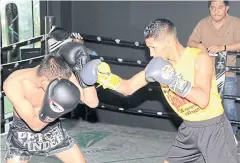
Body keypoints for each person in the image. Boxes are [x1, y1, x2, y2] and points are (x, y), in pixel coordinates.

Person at [79, 18, 239, 163]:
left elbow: (203, 100)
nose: (151, 54)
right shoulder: (158, 66)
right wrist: (103, 78)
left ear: (169, 42)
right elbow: (128, 87)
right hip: (189, 128)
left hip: (213, 128)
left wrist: (172, 80)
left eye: (153, 47)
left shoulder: (199, 58)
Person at [3, 47, 99, 162]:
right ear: (43, 81)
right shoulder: (14, 83)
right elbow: (35, 125)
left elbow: (92, 102)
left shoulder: (60, 74)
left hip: (52, 131)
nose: (61, 86)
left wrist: (85, 76)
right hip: (23, 134)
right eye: (57, 85)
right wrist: (56, 109)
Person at [187, 0, 240, 135]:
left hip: (227, 74)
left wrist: (223, 47)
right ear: (209, 9)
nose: (216, 10)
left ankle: (232, 138)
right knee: (206, 107)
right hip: (206, 75)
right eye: (212, 7)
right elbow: (190, 41)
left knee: (229, 108)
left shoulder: (235, 23)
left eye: (220, 7)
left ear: (226, 8)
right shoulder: (203, 23)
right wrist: (201, 47)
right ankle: (209, 138)